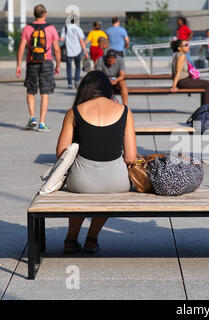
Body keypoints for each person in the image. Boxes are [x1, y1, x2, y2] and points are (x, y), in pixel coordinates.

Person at [56, 70, 137, 253]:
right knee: (108, 190)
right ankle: (92, 239)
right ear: (108, 89)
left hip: (80, 181)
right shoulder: (125, 111)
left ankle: (71, 239)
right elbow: (131, 157)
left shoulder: (74, 112)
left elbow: (61, 153)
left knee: (83, 192)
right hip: (116, 181)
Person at [16, 4, 61, 132]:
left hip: (32, 62)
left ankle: (32, 117)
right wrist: (57, 64)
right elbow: (57, 49)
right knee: (45, 92)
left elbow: (21, 47)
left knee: (31, 90)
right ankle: (42, 123)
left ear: (34, 15)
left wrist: (18, 65)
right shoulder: (51, 29)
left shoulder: (27, 28)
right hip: (46, 62)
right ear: (45, 14)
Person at [170, 39, 209, 104]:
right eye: (186, 45)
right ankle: (207, 108)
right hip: (183, 81)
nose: (188, 46)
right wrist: (173, 87)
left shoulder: (177, 54)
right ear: (179, 48)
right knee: (208, 84)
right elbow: (178, 72)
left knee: (206, 83)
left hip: (184, 80)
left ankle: (206, 107)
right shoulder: (181, 56)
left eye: (188, 44)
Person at [60, 18, 89, 89]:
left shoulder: (65, 28)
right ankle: (76, 81)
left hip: (68, 50)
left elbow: (61, 39)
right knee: (78, 67)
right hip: (77, 50)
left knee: (69, 67)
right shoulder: (78, 29)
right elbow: (81, 41)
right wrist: (85, 51)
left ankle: (70, 83)